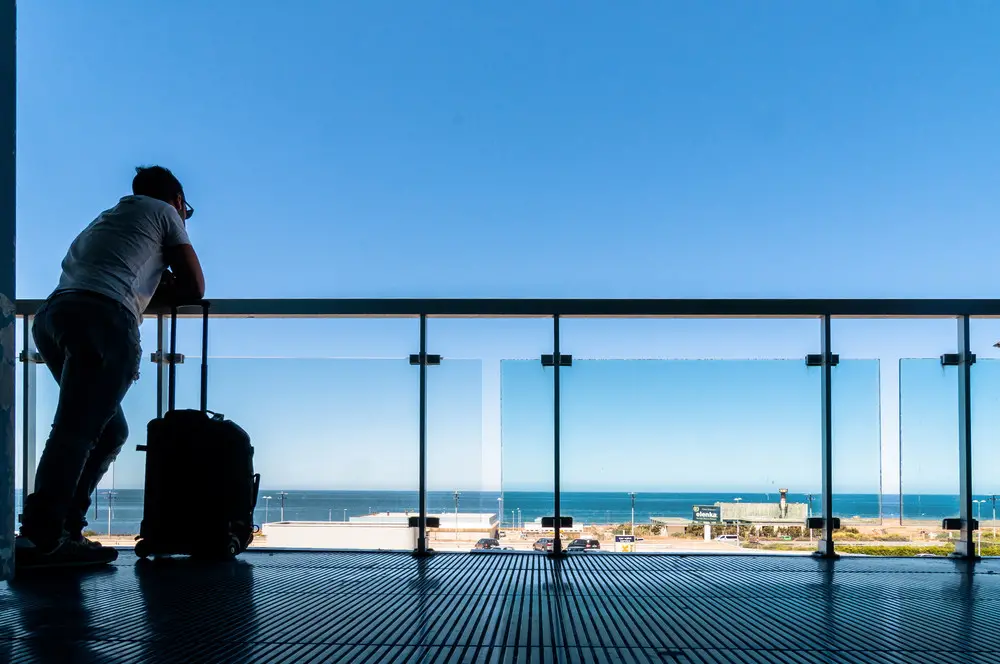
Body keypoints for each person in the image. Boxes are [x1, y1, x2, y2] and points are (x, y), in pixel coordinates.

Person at [16, 166, 205, 569]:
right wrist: (162, 285)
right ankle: (41, 538)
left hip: (53, 318)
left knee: (108, 431)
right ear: (176, 199)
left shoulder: (105, 222)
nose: (183, 215)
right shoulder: (163, 213)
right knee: (76, 432)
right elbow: (195, 287)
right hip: (102, 319)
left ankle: (63, 530)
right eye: (185, 207)